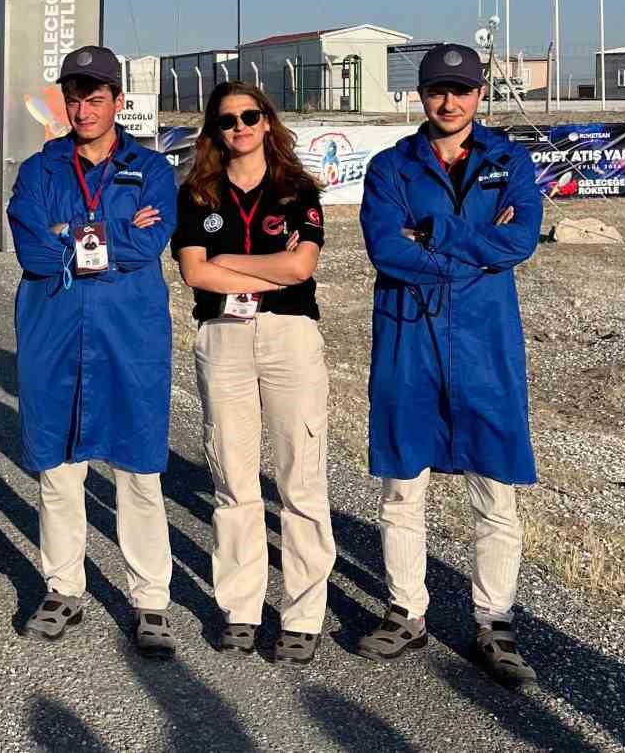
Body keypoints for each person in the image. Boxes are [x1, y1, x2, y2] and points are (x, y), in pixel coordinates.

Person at [357, 43, 544, 684]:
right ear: (421, 93)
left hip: (486, 345)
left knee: (494, 490)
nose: (449, 101)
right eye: (438, 88)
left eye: (461, 90)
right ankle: (406, 611)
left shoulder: (509, 161)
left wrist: (434, 232)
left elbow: (519, 243)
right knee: (404, 488)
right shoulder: (390, 167)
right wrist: (475, 249)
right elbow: (386, 250)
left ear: (481, 93)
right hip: (410, 342)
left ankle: (495, 623)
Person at [6, 47, 181, 655]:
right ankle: (63, 588)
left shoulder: (153, 169)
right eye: (74, 98)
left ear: (118, 102)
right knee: (58, 468)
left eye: (96, 97)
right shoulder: (38, 170)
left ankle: (150, 599)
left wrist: (69, 239)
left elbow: (150, 244)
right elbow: (29, 247)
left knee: (137, 471)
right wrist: (110, 237)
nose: (83, 109)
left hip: (128, 337)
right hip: (54, 332)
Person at [172, 82, 334, 663]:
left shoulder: (298, 189)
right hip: (223, 338)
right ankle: (240, 608)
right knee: (233, 480)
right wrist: (268, 270)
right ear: (213, 131)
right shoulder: (197, 194)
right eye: (226, 120)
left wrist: (229, 263)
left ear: (267, 122)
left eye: (248, 116)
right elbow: (195, 275)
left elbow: (302, 267)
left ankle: (302, 614)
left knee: (300, 479)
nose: (238, 127)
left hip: (289, 338)